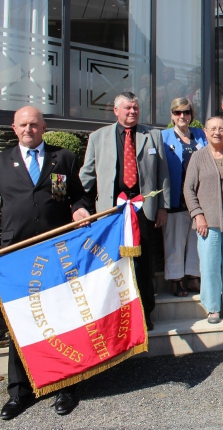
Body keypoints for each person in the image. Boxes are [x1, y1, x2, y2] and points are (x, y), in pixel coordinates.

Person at [0, 106, 91, 419]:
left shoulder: (62, 158)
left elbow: (76, 195)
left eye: (34, 125)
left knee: (62, 318)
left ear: (43, 126)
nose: (28, 130)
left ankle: (66, 386)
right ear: (14, 128)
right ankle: (19, 392)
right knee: (21, 323)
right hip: (16, 257)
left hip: (55, 251)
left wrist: (79, 208)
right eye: (23, 125)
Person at [80, 92, 170, 331]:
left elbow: (163, 173)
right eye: (128, 108)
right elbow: (87, 177)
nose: (132, 112)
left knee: (143, 264)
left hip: (144, 209)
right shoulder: (98, 138)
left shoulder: (153, 136)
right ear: (116, 111)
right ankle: (112, 315)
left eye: (136, 108)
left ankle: (144, 313)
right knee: (111, 262)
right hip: (111, 211)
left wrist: (163, 206)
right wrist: (81, 207)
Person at [184, 117, 223, 324]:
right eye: (213, 129)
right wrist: (197, 214)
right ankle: (212, 308)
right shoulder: (198, 157)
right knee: (209, 263)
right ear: (205, 131)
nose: (217, 132)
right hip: (207, 217)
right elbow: (188, 189)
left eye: (221, 128)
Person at [162, 97, 206, 297]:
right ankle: (175, 279)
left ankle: (193, 276)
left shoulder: (200, 134)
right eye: (177, 112)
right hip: (176, 198)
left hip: (199, 198)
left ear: (191, 115)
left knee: (196, 239)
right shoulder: (163, 137)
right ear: (172, 115)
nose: (182, 116)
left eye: (186, 112)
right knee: (175, 240)